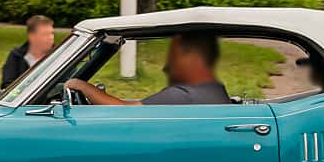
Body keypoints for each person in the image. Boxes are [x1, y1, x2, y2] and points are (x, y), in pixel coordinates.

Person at [64, 30, 232, 106]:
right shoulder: (211, 90)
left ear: (192, 59)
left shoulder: (186, 96)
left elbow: (124, 112)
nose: (166, 68)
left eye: (173, 58)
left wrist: (81, 86)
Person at [1, 15, 57, 88]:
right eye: (45, 34)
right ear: (31, 36)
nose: (51, 37)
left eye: (52, 33)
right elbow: (7, 85)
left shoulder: (59, 55)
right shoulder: (17, 56)